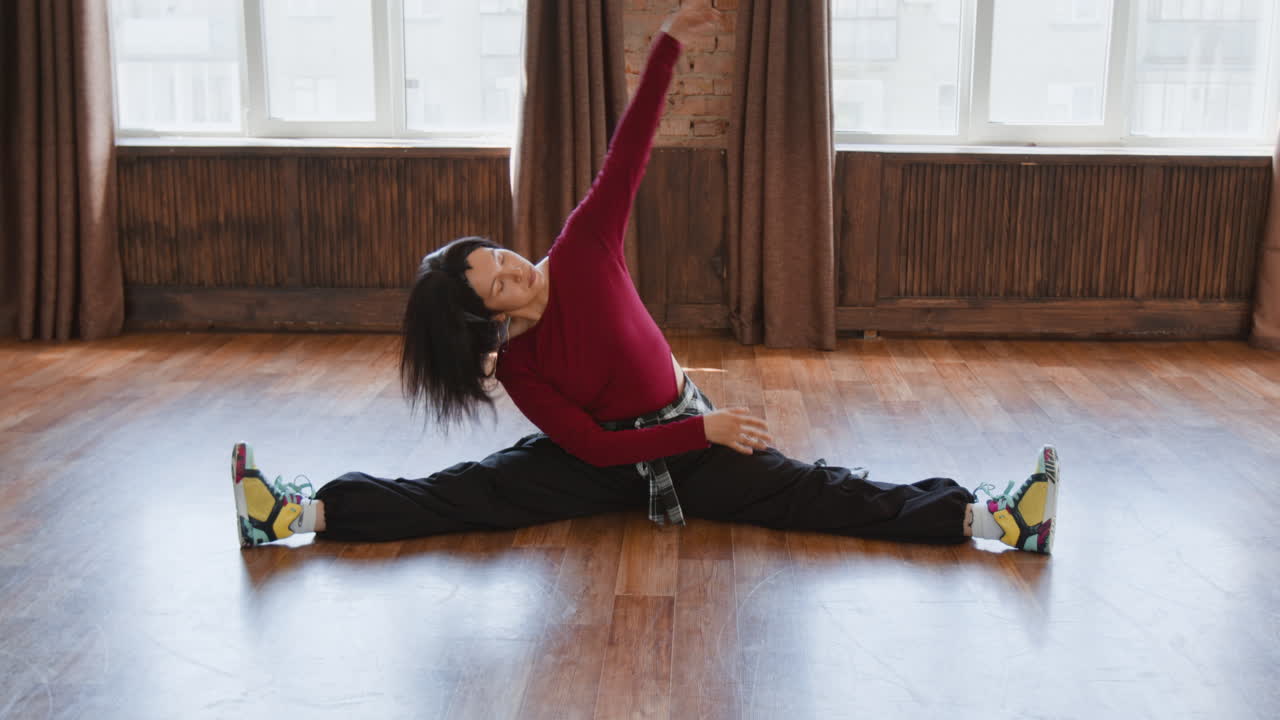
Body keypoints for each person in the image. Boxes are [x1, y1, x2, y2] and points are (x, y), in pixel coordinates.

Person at [230, 0, 1059, 555]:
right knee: (463, 493)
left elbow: (630, 145)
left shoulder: (583, 247)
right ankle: (298, 514)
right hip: (608, 460)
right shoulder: (520, 365)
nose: (515, 272)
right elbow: (591, 444)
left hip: (686, 437)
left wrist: (669, 41)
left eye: (503, 257)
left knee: (823, 492)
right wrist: (707, 431)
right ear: (487, 316)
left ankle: (991, 519)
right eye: (498, 287)